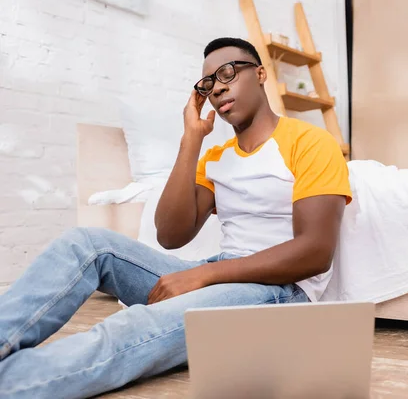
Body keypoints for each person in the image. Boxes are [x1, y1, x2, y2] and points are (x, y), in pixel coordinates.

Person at [0, 37, 352, 398]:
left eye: (228, 72)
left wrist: (202, 275)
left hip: (280, 293)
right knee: (85, 244)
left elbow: (315, 252)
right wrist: (192, 138)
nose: (218, 87)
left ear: (260, 74)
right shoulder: (216, 156)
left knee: (133, 325)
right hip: (220, 272)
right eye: (208, 83)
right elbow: (170, 234)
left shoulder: (310, 142)